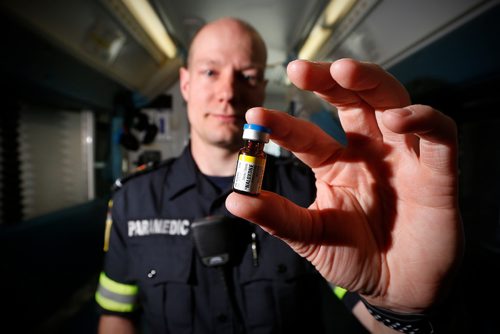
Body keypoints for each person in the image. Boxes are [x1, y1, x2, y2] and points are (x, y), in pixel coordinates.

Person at [96, 17, 464, 334]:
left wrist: (401, 309)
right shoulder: (133, 200)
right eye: (210, 71)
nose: (228, 92)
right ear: (186, 83)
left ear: (260, 88)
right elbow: (116, 314)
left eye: (248, 75)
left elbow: (374, 312)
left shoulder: (312, 192)